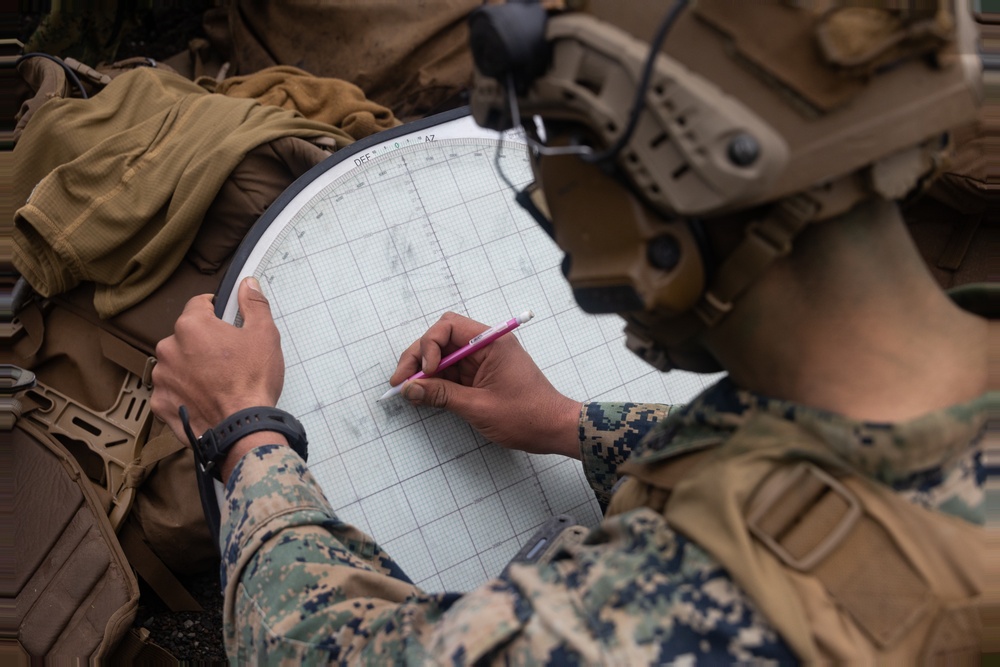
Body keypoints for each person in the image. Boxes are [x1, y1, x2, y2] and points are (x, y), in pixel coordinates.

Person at [151, 1, 993, 663]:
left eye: (558, 153)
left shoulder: (703, 610)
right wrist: (568, 424)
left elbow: (327, 652)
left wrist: (245, 432)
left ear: (658, 191)